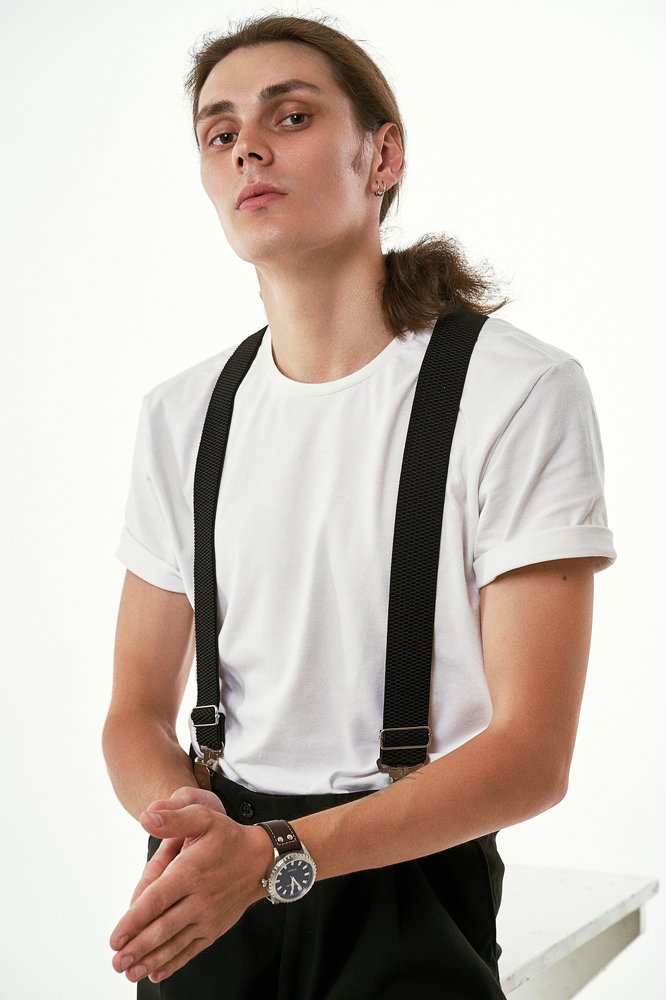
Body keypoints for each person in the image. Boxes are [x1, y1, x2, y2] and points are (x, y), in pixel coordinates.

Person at [103, 13, 617, 999]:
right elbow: (133, 707)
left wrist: (275, 856)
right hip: (210, 876)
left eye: (290, 116)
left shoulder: (515, 392)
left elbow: (531, 755)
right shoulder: (182, 414)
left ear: (382, 156)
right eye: (220, 132)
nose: (248, 147)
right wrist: (190, 826)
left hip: (408, 880)